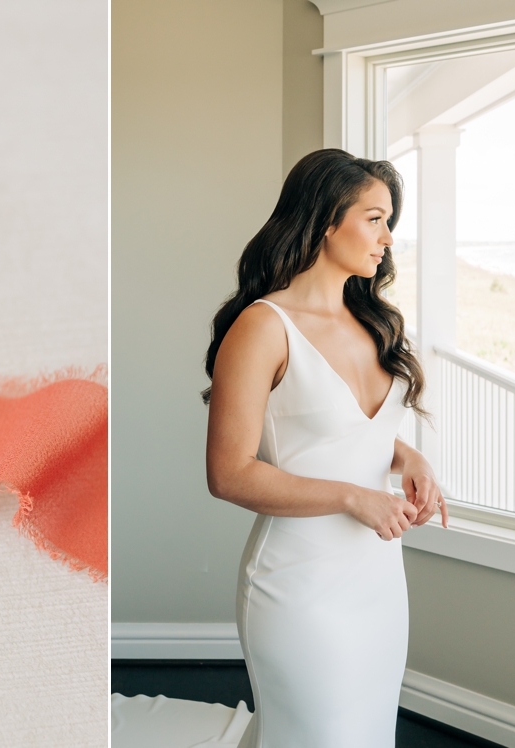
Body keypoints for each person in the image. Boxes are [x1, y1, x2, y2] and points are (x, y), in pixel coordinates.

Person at [203, 149, 448, 748]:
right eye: (375, 218)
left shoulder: (376, 321)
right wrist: (353, 498)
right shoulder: (262, 328)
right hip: (298, 583)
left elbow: (336, 430)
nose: (388, 238)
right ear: (325, 219)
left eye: (390, 222)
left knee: (367, 733)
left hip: (378, 578)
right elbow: (229, 474)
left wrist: (406, 457)